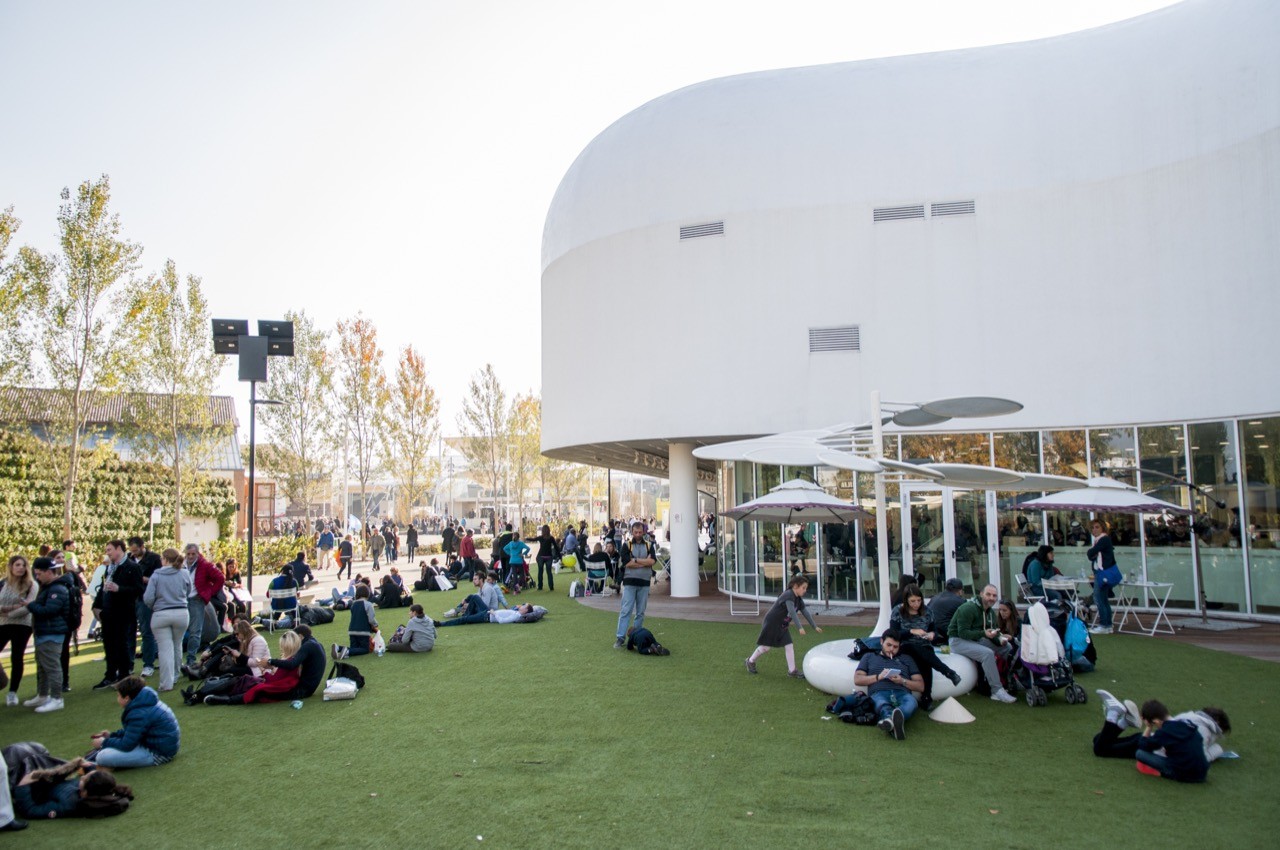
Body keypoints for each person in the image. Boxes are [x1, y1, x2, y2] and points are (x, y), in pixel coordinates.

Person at [1091, 692, 1226, 783]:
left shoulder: (1192, 719)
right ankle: (1116, 715)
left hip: (1153, 740)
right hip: (1154, 743)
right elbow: (1199, 754)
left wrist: (1149, 729)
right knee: (1100, 746)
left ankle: (1121, 719)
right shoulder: (1202, 729)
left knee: (1100, 743)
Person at [890, 585, 961, 710]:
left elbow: (934, 631)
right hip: (905, 646)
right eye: (912, 601)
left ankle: (926, 697)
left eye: (919, 600)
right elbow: (893, 634)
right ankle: (947, 672)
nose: (916, 604)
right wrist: (912, 631)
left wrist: (932, 635)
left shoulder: (928, 611)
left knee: (925, 658)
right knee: (914, 648)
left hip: (924, 645)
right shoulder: (898, 611)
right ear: (906, 600)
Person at [84, 676, 180, 769]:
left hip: (158, 754)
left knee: (102, 757)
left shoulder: (139, 713)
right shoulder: (145, 702)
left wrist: (103, 742)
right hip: (157, 746)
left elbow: (126, 744)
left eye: (118, 695)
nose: (117, 698)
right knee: (108, 749)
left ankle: (104, 765)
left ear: (126, 698)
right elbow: (133, 732)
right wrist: (111, 735)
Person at [8, 749, 133, 820]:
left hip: (34, 789)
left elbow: (31, 810)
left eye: (83, 780)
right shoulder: (103, 789)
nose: (82, 777)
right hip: (50, 779)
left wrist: (23, 785)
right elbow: (95, 774)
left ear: (85, 793)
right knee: (36, 749)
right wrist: (87, 766)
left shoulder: (67, 805)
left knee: (14, 757)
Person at [947, 583, 1018, 704]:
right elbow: (962, 633)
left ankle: (1009, 680)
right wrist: (984, 634)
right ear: (981, 594)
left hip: (976, 639)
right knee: (987, 653)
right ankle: (997, 691)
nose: (992, 598)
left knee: (1007, 647)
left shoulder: (990, 612)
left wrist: (1000, 639)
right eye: (988, 594)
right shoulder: (968, 608)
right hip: (957, 641)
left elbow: (993, 631)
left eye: (994, 595)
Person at [17, 558, 71, 713]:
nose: (37, 577)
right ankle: (42, 695)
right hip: (45, 632)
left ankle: (56, 698)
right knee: (42, 667)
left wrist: (30, 604)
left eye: (39, 574)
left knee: (52, 667)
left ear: (49, 572)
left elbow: (49, 611)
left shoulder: (57, 589)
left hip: (51, 633)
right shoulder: (49, 586)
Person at [744, 574, 821, 677]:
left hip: (782, 624)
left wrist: (814, 626)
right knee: (765, 648)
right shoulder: (788, 595)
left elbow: (805, 612)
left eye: (805, 588)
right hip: (772, 623)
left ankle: (792, 671)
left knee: (789, 646)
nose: (805, 590)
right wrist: (800, 627)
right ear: (795, 586)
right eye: (803, 588)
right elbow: (792, 612)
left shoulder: (798, 598)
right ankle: (750, 661)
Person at [854, 630, 924, 741]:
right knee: (881, 703)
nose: (891, 649)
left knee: (911, 702)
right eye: (889, 645)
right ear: (881, 642)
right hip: (879, 692)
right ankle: (893, 720)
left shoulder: (906, 659)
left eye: (895, 647)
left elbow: (920, 686)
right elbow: (857, 679)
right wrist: (879, 677)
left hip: (902, 692)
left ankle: (890, 721)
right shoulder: (869, 657)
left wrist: (902, 681)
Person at [141, 548, 193, 693]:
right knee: (177, 645)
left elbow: (148, 598)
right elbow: (189, 592)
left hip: (161, 614)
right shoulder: (184, 573)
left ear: (164, 559)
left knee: (165, 649)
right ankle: (175, 675)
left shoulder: (156, 575)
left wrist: (155, 606)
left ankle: (166, 683)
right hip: (182, 613)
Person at [203, 631, 304, 705]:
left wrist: (264, 671)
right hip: (262, 675)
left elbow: (272, 678)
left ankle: (213, 692)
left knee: (242, 681)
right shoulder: (293, 659)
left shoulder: (289, 661)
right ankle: (212, 689)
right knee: (239, 679)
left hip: (267, 681)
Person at [97, 539, 143, 689]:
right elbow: (102, 588)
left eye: (109, 549)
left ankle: (123, 675)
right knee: (109, 644)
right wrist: (97, 606)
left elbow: (138, 590)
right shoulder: (109, 567)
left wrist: (119, 589)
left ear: (119, 549)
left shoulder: (132, 567)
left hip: (123, 612)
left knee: (122, 644)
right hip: (108, 612)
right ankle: (110, 675)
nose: (107, 553)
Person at [0, 555, 38, 707]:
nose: (21, 568)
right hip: (3, 624)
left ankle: (12, 692)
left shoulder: (31, 584)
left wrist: (7, 612)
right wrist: (10, 608)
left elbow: (27, 607)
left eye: (23, 565)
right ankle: (2, 680)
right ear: (11, 566)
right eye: (17, 565)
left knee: (17, 657)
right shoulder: (3, 583)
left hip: (22, 625)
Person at [614, 521, 658, 649]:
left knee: (640, 612)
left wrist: (636, 560)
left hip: (644, 583)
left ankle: (636, 637)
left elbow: (653, 561)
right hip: (629, 582)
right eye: (636, 532)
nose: (638, 534)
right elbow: (627, 563)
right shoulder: (626, 545)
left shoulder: (649, 545)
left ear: (643, 532)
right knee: (626, 610)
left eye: (640, 532)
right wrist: (645, 562)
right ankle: (620, 638)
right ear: (632, 532)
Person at [180, 543, 222, 668]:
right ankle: (178, 661)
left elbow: (220, 578)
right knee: (180, 631)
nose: (191, 556)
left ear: (198, 554)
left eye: (193, 554)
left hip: (196, 599)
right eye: (188, 554)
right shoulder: (181, 565)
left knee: (195, 631)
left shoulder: (205, 565)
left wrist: (209, 593)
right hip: (182, 599)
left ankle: (191, 659)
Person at [126, 536, 162, 678]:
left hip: (145, 599)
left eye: (136, 550)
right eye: (132, 551)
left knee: (147, 631)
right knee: (129, 632)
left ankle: (148, 664)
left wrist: (143, 579)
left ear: (142, 546)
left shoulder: (154, 559)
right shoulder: (128, 559)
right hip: (130, 598)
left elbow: (158, 578)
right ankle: (129, 665)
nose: (133, 554)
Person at [1087, 520, 1120, 634]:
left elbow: (1091, 553)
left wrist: (1092, 553)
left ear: (1102, 528)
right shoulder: (1099, 540)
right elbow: (1092, 556)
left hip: (1102, 573)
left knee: (1099, 598)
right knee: (1103, 599)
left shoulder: (1103, 539)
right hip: (1101, 572)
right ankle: (1108, 625)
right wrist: (1092, 553)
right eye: (1092, 528)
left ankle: (1104, 624)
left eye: (1097, 527)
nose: (1094, 530)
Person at [338, 584, 378, 657]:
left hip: (352, 631)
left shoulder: (353, 604)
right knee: (365, 649)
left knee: (354, 648)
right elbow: (371, 619)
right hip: (363, 631)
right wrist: (375, 625)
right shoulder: (368, 604)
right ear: (367, 594)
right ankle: (346, 652)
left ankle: (339, 648)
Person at [438, 601, 535, 627]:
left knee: (465, 619)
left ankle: (442, 624)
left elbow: (502, 621)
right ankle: (461, 612)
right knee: (474, 597)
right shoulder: (517, 611)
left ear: (525, 610)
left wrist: (494, 613)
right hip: (487, 612)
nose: (522, 605)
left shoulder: (516, 615)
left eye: (524, 606)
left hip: (487, 616)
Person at [531, 524, 559, 592]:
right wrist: (559, 556)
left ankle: (540, 586)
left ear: (542, 531)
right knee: (549, 572)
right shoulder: (551, 538)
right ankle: (551, 587)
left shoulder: (541, 537)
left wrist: (526, 538)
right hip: (549, 557)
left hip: (540, 556)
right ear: (549, 530)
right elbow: (556, 547)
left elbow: (533, 539)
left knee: (540, 571)